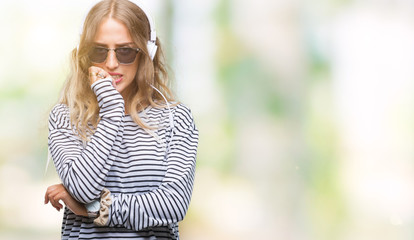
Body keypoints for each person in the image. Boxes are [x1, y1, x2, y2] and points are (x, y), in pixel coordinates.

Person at [43, 0, 199, 239]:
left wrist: (96, 209)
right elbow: (84, 190)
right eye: (99, 51)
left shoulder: (176, 119)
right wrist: (112, 111)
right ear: (84, 55)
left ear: (147, 53)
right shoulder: (66, 118)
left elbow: (174, 204)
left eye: (125, 51)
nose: (111, 63)